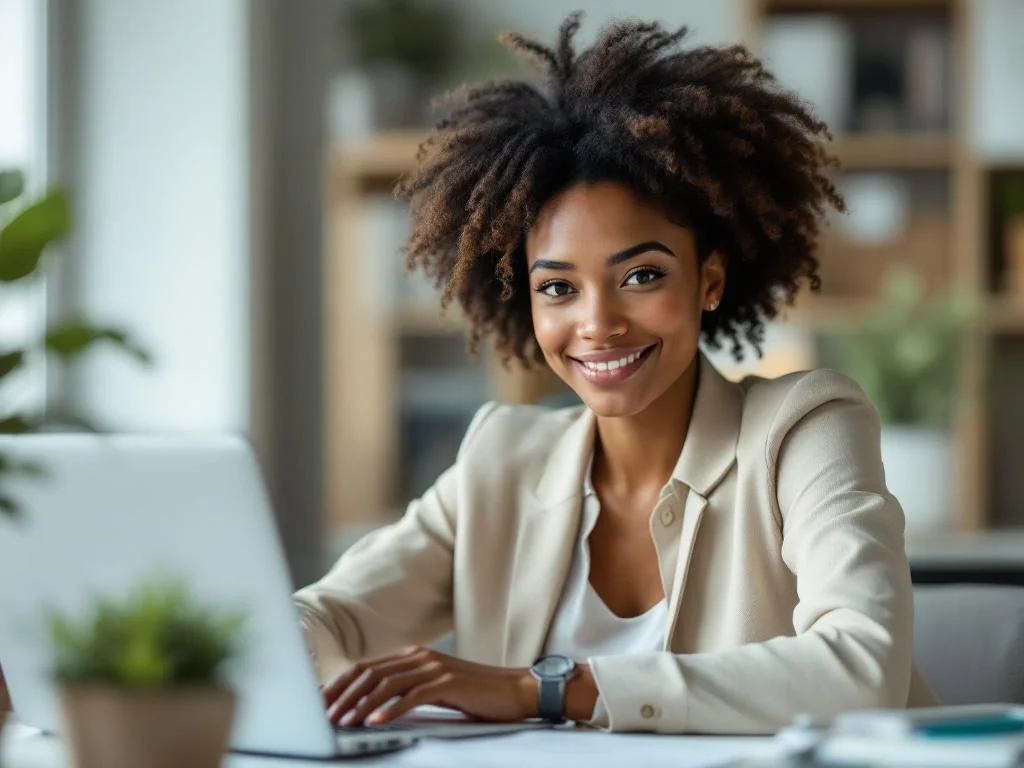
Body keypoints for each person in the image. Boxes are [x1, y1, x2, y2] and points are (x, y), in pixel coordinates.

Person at [294, 13, 936, 734]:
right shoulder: (501, 460)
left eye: (640, 275)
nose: (597, 323)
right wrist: (337, 695)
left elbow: (863, 666)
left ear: (710, 280)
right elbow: (318, 618)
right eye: (558, 287)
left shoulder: (804, 428)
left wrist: (543, 689)